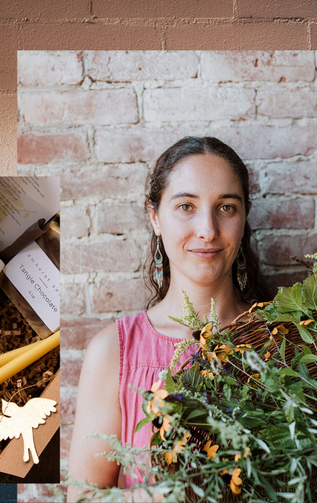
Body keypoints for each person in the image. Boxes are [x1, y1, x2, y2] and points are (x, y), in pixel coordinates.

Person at [66, 136, 273, 502]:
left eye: (226, 208)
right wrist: (168, 495)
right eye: (186, 207)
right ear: (154, 216)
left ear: (244, 218)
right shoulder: (114, 352)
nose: (208, 230)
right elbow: (82, 498)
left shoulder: (285, 340)